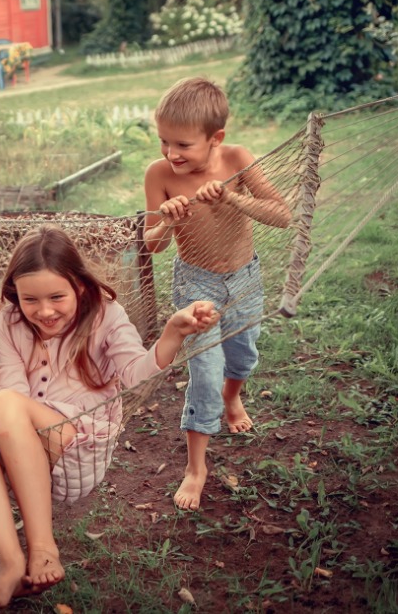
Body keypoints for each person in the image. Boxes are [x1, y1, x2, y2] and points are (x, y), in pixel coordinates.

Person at [0, 225, 219, 608]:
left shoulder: (106, 315)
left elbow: (134, 374)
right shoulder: (11, 322)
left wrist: (172, 332)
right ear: (15, 295)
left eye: (56, 297)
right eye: (30, 299)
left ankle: (43, 547)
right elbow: (14, 391)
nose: (44, 311)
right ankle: (10, 562)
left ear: (79, 286)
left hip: (78, 448)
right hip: (24, 446)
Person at [142, 76, 291, 511]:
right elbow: (153, 244)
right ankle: (196, 467)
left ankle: (232, 397)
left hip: (244, 279)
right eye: (163, 141)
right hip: (197, 284)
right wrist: (168, 219)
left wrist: (233, 199)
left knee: (243, 357)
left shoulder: (238, 159)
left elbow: (282, 216)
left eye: (183, 145)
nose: (172, 153)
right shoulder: (160, 174)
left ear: (215, 138)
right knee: (205, 370)